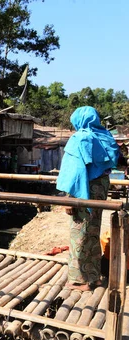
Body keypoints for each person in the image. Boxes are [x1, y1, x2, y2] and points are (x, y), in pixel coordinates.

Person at [57, 106, 119, 291]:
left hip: (84, 189)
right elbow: (114, 160)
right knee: (93, 231)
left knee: (79, 233)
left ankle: (79, 280)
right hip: (100, 188)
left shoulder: (80, 138)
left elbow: (74, 172)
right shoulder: (105, 136)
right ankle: (95, 276)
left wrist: (69, 199)